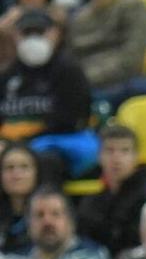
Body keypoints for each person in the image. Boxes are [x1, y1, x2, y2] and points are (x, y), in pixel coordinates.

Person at [0, 9, 95, 180]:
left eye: (39, 32)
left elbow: (71, 121)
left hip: (56, 145)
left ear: (54, 34)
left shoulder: (69, 72)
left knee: (43, 161)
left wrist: (24, 143)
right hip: (10, 145)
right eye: (26, 33)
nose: (33, 39)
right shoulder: (7, 76)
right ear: (16, 36)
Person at [76, 124, 146, 258]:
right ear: (99, 156)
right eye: (110, 151)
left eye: (125, 151)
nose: (116, 158)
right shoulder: (91, 202)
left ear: (136, 157)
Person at [0, 187, 111, 259]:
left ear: (70, 222)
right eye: (39, 215)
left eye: (55, 214)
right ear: (28, 224)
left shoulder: (91, 257)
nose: (47, 222)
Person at [0, 143, 39, 254]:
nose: (16, 174)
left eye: (24, 167)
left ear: (37, 173)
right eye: (9, 167)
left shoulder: (48, 214)